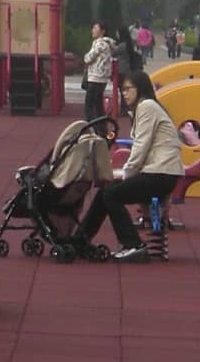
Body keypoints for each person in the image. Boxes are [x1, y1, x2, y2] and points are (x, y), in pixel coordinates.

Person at [76, 71, 185, 262]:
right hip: (157, 172)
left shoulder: (147, 107)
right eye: (122, 90)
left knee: (111, 194)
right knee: (106, 192)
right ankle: (79, 239)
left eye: (128, 89)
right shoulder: (144, 108)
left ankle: (133, 244)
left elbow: (141, 147)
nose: (124, 94)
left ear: (140, 88)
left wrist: (125, 174)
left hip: (161, 174)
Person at [82, 21, 115, 122]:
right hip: (101, 77)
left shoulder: (100, 44)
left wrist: (86, 57)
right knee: (98, 105)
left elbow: (88, 58)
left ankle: (92, 125)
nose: (93, 30)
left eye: (96, 28)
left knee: (89, 104)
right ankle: (101, 127)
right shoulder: (106, 43)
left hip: (96, 77)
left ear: (102, 31)